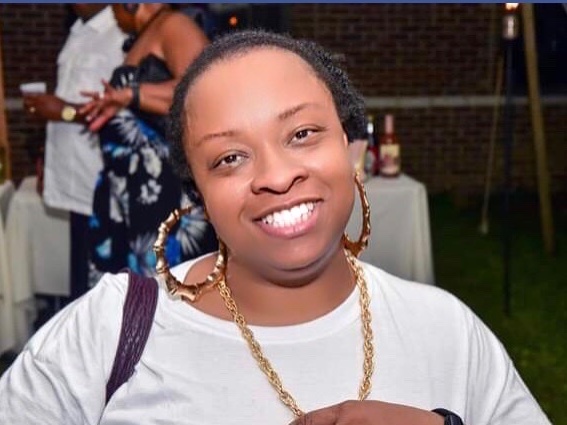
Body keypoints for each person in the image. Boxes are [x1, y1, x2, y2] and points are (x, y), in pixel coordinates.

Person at [1, 30, 550, 425]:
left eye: (302, 133)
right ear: (198, 193)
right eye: (229, 158)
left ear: (351, 146)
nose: (277, 176)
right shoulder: (109, 332)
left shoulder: (446, 331)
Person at [79, 4, 217, 285]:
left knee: (161, 291)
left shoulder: (174, 24)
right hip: (129, 190)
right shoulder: (148, 32)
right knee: (130, 294)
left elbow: (203, 91)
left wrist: (131, 95)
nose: (111, 11)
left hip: (161, 189)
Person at [22, 4, 125, 300]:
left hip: (99, 180)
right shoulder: (77, 31)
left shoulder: (120, 34)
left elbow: (124, 111)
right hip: (72, 178)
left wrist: (64, 111)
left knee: (107, 286)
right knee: (82, 283)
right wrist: (47, 165)